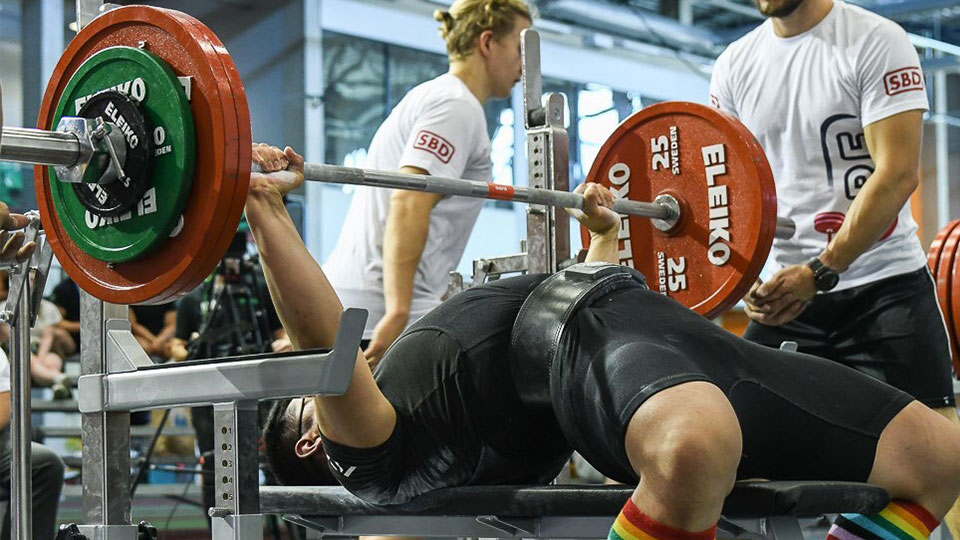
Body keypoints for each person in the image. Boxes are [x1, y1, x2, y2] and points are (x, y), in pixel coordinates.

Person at [251, 145, 960, 540]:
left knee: (939, 457)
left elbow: (592, 306)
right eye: (301, 403)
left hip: (645, 325)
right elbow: (324, 348)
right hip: (590, 347)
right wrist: (260, 204)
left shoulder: (417, 395)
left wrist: (603, 234)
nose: (312, 382)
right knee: (693, 449)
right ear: (314, 442)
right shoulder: (375, 465)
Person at [708, 0, 960, 535]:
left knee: (946, 461)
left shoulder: (874, 40)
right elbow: (729, 191)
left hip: (884, 289)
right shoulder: (734, 63)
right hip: (785, 298)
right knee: (718, 444)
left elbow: (896, 175)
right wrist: (747, 276)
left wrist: (821, 272)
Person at [321, 0, 532, 366]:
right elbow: (409, 199)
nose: (524, 64)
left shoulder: (438, 97)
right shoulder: (455, 105)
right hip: (378, 318)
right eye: (519, 48)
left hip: (366, 309)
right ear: (487, 42)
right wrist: (399, 313)